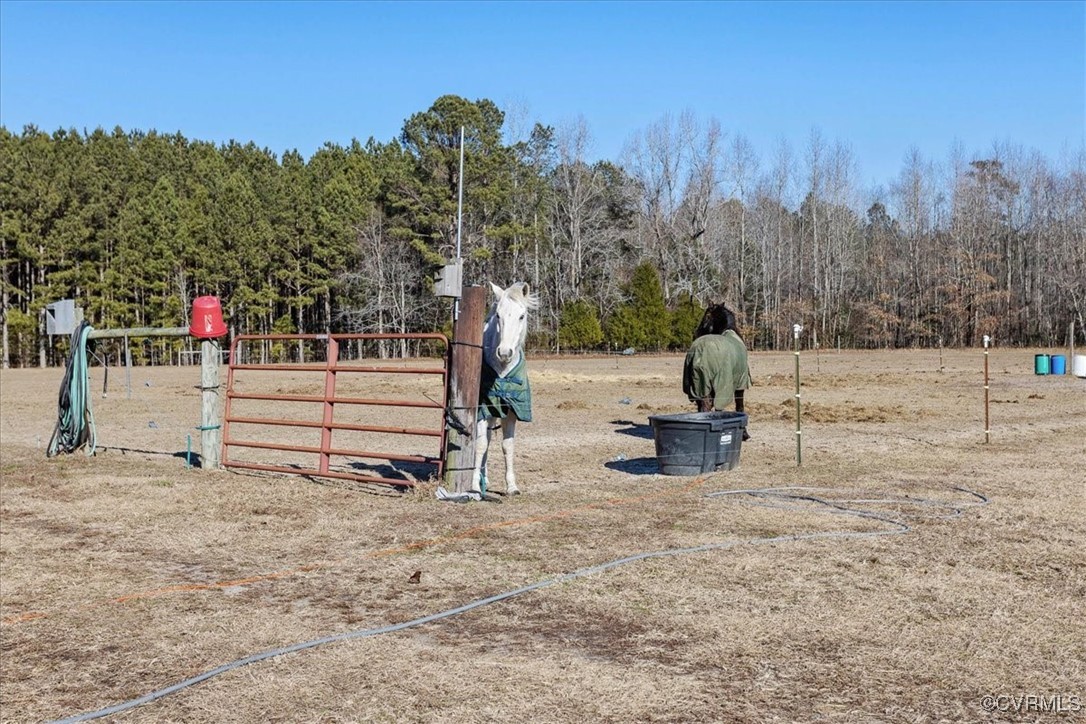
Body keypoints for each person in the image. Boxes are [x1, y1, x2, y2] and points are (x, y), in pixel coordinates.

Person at [682, 303, 751, 438]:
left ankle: (701, 428)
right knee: (738, 391)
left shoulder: (700, 342)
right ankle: (741, 428)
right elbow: (740, 386)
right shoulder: (736, 343)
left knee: (703, 392)